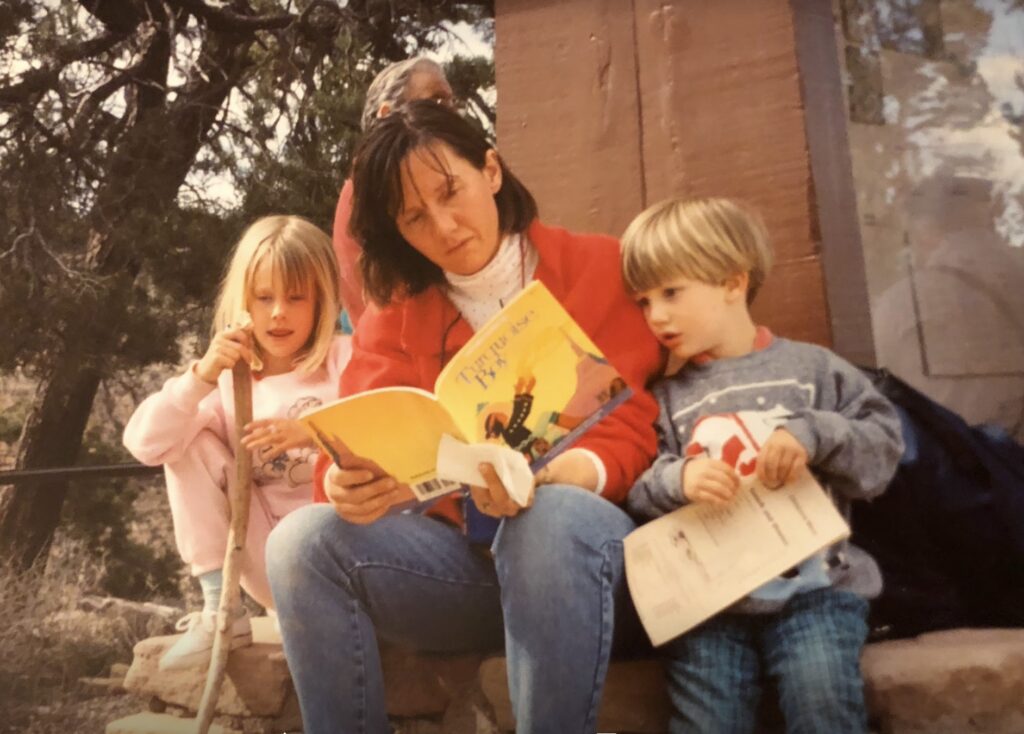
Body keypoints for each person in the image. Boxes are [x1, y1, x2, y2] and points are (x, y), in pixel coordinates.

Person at [266, 101, 663, 734]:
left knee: (547, 517)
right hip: (468, 574)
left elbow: (635, 423)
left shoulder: (596, 268)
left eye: (451, 192)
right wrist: (345, 486)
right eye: (415, 217)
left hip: (592, 566)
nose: (445, 226)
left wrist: (560, 476)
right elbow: (355, 442)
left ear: (492, 171)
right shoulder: (395, 316)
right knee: (299, 541)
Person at [620, 196, 905, 734]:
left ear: (732, 282)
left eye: (672, 292)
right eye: (643, 301)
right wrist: (676, 478)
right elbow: (636, 484)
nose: (656, 315)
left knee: (820, 697)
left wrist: (816, 434)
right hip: (709, 607)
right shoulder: (664, 399)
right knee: (707, 719)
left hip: (817, 592)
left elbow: (883, 453)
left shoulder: (814, 370)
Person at [123, 215, 351, 671]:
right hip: (263, 558)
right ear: (243, 302)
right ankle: (220, 611)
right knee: (187, 442)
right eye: (264, 298)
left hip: (342, 551)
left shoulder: (344, 358)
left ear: (322, 299)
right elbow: (146, 445)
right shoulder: (231, 381)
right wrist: (200, 379)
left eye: (296, 297)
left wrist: (316, 431)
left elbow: (388, 430)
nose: (278, 312)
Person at [333, 57, 454, 327]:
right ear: (387, 114)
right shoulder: (370, 190)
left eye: (451, 102)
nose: (451, 113)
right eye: (435, 102)